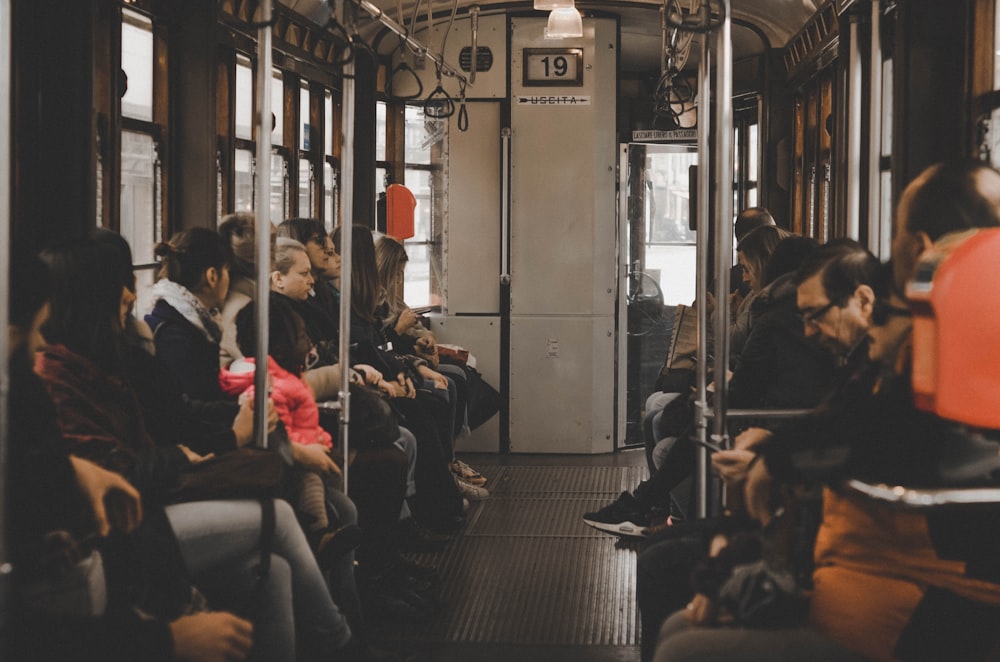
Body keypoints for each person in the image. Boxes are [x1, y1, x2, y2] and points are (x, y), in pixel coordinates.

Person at [7, 248, 255, 662]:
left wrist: (77, 471)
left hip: (143, 517)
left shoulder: (110, 356)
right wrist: (165, 641)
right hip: (146, 514)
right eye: (25, 334)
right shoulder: (57, 376)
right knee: (278, 519)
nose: (37, 343)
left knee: (271, 571)